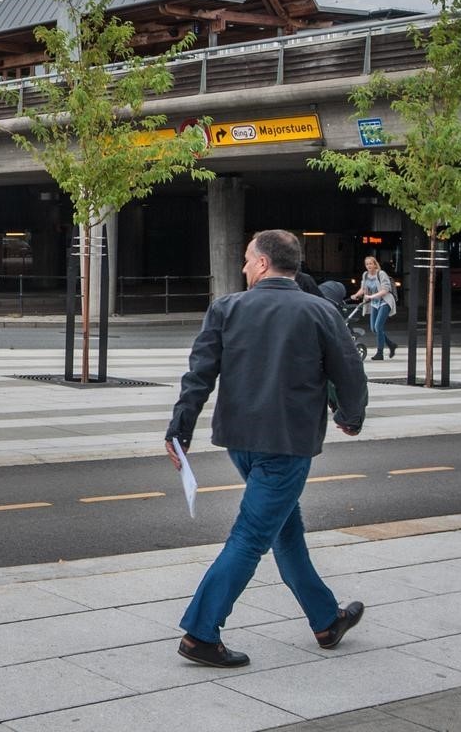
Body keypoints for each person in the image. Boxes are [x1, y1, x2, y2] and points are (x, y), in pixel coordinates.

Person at [165, 228, 369, 669]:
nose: (243, 267)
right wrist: (350, 417)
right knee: (252, 536)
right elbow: (350, 372)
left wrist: (180, 429)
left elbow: (199, 374)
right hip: (288, 443)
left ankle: (326, 620)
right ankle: (200, 633)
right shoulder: (320, 310)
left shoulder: (227, 308)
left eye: (246, 259)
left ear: (262, 263)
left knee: (285, 529)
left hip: (239, 439)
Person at [350, 255, 398, 360]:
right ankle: (391, 344)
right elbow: (363, 289)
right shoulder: (365, 275)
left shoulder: (381, 274)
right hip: (374, 303)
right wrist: (356, 295)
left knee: (378, 327)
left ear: (375, 264)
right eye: (367, 264)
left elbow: (385, 290)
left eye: (371, 263)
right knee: (373, 328)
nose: (369, 266)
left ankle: (380, 353)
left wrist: (371, 296)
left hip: (385, 301)